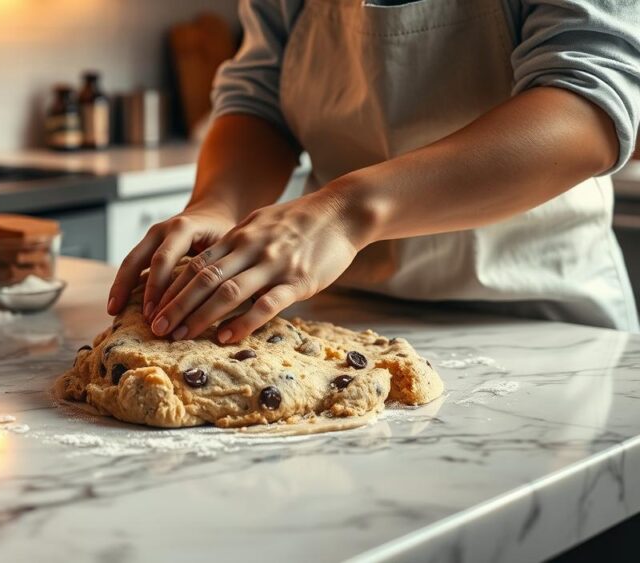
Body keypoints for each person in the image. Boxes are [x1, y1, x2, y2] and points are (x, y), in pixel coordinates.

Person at [107, 0, 640, 343]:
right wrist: (218, 205)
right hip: (343, 316)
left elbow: (587, 111)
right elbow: (260, 100)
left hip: (539, 320)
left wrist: (343, 212)